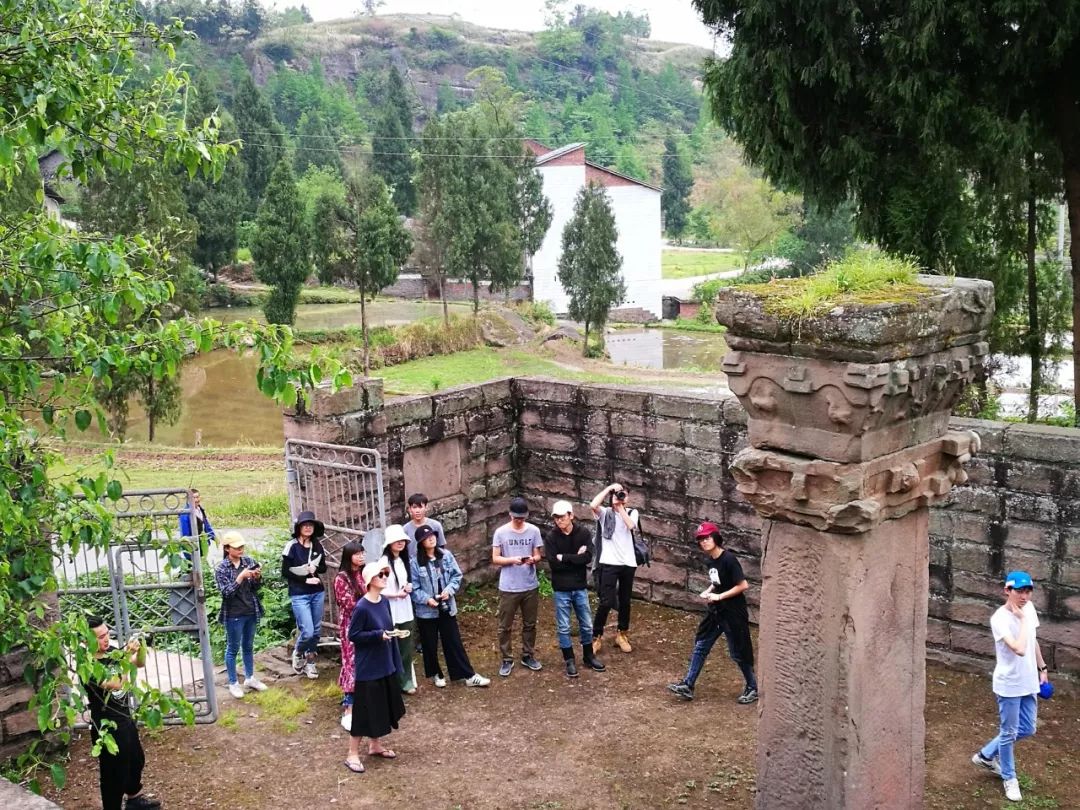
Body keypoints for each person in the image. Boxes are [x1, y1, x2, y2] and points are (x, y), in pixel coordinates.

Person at [971, 570, 1049, 803]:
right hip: (1009, 685)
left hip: (1029, 682)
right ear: (1007, 591)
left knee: (1028, 728)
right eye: (1019, 591)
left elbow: (1032, 640)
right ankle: (1009, 777)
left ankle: (985, 755)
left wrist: (1042, 669)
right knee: (1009, 733)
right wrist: (1022, 619)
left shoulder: (1029, 609)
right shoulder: (999, 619)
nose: (1024, 597)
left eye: (1028, 592)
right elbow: (1019, 647)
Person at [667, 521, 758, 704]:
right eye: (701, 539)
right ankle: (688, 684)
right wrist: (709, 591)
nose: (704, 542)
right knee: (701, 645)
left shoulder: (729, 559)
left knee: (738, 652)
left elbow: (743, 585)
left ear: (716, 538)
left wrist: (720, 596)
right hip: (717, 612)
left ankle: (753, 687)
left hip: (733, 612)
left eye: (707, 538)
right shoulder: (710, 560)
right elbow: (717, 581)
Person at [83, 615, 160, 810]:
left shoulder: (112, 652)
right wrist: (126, 655)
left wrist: (142, 646)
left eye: (107, 633)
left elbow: (139, 663)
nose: (106, 639)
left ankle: (134, 799)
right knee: (113, 774)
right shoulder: (87, 664)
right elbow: (114, 683)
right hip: (107, 726)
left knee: (136, 760)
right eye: (100, 637)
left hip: (125, 718)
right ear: (86, 640)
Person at [344, 561, 407, 774]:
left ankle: (375, 745)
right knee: (364, 709)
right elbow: (353, 635)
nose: (385, 577)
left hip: (384, 662)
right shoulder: (362, 607)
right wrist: (377, 635)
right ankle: (352, 753)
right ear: (370, 580)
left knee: (380, 706)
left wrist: (391, 636)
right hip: (368, 666)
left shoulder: (383, 602)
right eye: (380, 574)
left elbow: (387, 628)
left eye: (386, 573)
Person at [409, 524, 491, 688]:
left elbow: (457, 575)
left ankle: (467, 675)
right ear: (420, 543)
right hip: (427, 611)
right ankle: (436, 674)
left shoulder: (445, 555)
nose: (431, 539)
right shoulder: (415, 563)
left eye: (432, 536)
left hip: (446, 606)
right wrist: (427, 599)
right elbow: (414, 588)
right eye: (426, 538)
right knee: (429, 644)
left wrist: (449, 591)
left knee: (453, 641)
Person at [545, 500, 606, 678]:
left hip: (579, 586)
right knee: (564, 626)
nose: (559, 521)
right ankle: (569, 659)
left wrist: (564, 557)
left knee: (586, 624)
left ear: (571, 515)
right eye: (556, 518)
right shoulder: (551, 537)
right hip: (561, 587)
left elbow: (587, 558)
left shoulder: (583, 533)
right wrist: (573, 558)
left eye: (562, 517)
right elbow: (553, 564)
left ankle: (588, 655)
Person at [491, 496, 544, 677]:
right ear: (510, 515)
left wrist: (532, 560)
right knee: (504, 625)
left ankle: (528, 654)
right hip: (509, 586)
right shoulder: (501, 532)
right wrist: (511, 560)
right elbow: (495, 558)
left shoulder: (534, 531)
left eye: (522, 518)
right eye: (516, 518)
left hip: (529, 584)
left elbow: (538, 555)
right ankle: (507, 658)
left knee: (530, 623)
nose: (519, 521)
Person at [213, 532, 268, 699]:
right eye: (237, 547)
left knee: (248, 646)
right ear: (227, 549)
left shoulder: (249, 562)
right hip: (233, 613)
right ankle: (233, 682)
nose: (240, 550)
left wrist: (257, 578)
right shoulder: (221, 568)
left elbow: (256, 588)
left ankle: (250, 677)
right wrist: (240, 577)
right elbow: (226, 593)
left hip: (251, 609)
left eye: (242, 546)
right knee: (233, 648)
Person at [590, 482, 640, 655]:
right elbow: (593, 505)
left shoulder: (632, 513)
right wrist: (608, 489)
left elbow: (631, 526)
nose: (619, 497)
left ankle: (622, 634)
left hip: (628, 563)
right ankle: (596, 636)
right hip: (609, 562)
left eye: (622, 494)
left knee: (625, 601)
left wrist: (620, 508)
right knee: (606, 600)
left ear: (628, 497)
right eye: (617, 494)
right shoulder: (605, 514)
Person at [281, 510, 328, 679]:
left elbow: (323, 567)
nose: (308, 528)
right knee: (307, 631)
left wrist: (316, 569)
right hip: (299, 593)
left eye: (311, 525)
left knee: (316, 631)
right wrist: (304, 580)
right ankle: (299, 651)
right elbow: (285, 571)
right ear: (299, 527)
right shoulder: (291, 546)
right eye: (305, 525)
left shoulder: (317, 545)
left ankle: (310, 662)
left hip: (317, 592)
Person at [378, 524, 418, 694]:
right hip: (391, 610)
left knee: (406, 647)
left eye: (402, 540)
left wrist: (408, 588)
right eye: (396, 540)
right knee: (390, 647)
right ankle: (392, 682)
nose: (400, 543)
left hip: (405, 609)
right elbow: (379, 587)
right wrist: (395, 595)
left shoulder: (404, 560)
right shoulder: (384, 563)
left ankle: (406, 680)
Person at [334, 540, 367, 730]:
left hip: (365, 623)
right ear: (349, 557)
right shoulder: (342, 578)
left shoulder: (362, 574)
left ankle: (362, 699)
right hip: (351, 625)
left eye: (362, 553)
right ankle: (349, 705)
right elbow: (348, 604)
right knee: (351, 661)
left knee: (363, 660)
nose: (361, 556)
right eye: (357, 554)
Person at [402, 492, 447, 558]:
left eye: (420, 507)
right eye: (414, 507)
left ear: (426, 507)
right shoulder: (405, 529)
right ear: (409, 509)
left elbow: (441, 546)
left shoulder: (436, 525)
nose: (417, 511)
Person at [178, 488, 216, 561]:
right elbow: (185, 533)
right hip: (192, 548)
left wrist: (214, 537)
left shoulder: (200, 509)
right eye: (193, 498)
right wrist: (189, 549)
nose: (196, 500)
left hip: (202, 545)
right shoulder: (185, 514)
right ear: (188, 499)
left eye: (197, 497)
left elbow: (206, 525)